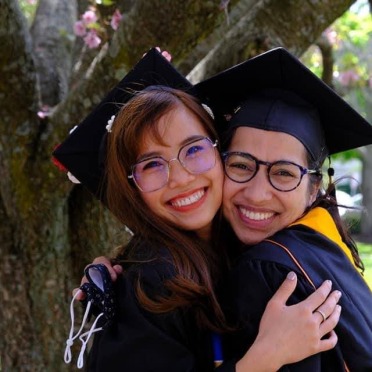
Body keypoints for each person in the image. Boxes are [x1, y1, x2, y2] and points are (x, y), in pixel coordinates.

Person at [53, 48, 341, 371]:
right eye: (151, 165)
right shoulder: (153, 282)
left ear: (218, 148)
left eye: (193, 149)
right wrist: (264, 358)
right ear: (131, 188)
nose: (181, 178)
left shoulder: (240, 243)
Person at [195, 47, 372, 370]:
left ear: (313, 189)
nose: (258, 194)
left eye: (284, 173)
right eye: (241, 165)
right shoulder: (323, 245)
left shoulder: (268, 272)